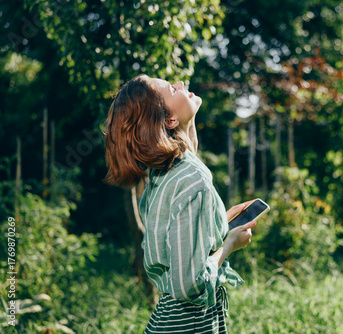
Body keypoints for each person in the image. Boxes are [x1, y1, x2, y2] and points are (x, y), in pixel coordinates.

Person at [103, 74, 256, 333]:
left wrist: (218, 222)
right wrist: (229, 244)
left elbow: (178, 242)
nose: (182, 85)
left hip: (171, 321)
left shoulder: (165, 173)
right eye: (172, 89)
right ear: (170, 120)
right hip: (189, 324)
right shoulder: (191, 179)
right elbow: (188, 284)